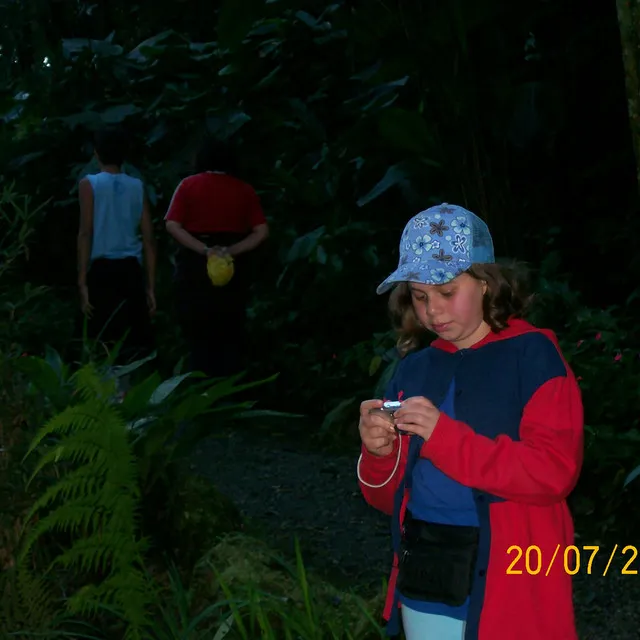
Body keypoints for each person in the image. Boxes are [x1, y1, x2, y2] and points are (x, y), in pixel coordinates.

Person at [356, 203, 584, 640]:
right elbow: (389, 498)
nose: (432, 312)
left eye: (446, 292)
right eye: (419, 296)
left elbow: (553, 472)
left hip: (515, 572)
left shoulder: (532, 356)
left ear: (485, 283)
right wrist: (379, 454)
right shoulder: (415, 369)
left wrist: (445, 436)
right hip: (428, 569)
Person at [164, 137, 269, 379]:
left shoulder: (188, 186)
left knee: (198, 333)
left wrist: (202, 249)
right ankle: (229, 391)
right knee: (230, 332)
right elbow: (261, 231)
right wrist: (232, 250)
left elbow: (172, 224)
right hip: (232, 265)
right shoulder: (244, 189)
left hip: (195, 265)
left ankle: (201, 390)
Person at [76, 127, 157, 362]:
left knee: (103, 342)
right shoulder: (137, 186)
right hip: (131, 269)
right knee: (131, 343)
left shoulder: (89, 184)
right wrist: (150, 286)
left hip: (102, 270)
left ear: (96, 153)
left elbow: (85, 232)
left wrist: (82, 279)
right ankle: (127, 394)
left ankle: (110, 395)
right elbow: (149, 239)